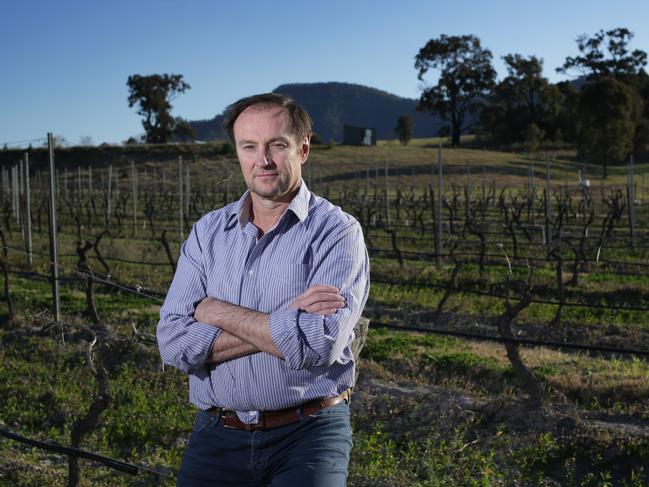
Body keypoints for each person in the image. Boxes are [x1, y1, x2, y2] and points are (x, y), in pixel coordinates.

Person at [157, 93, 370, 486]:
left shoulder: (337, 232)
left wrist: (216, 311)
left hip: (308, 434)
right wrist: (287, 321)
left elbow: (315, 345)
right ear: (237, 151)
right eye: (249, 146)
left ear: (303, 148)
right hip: (217, 434)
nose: (263, 160)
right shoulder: (208, 233)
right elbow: (173, 344)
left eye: (276, 145)